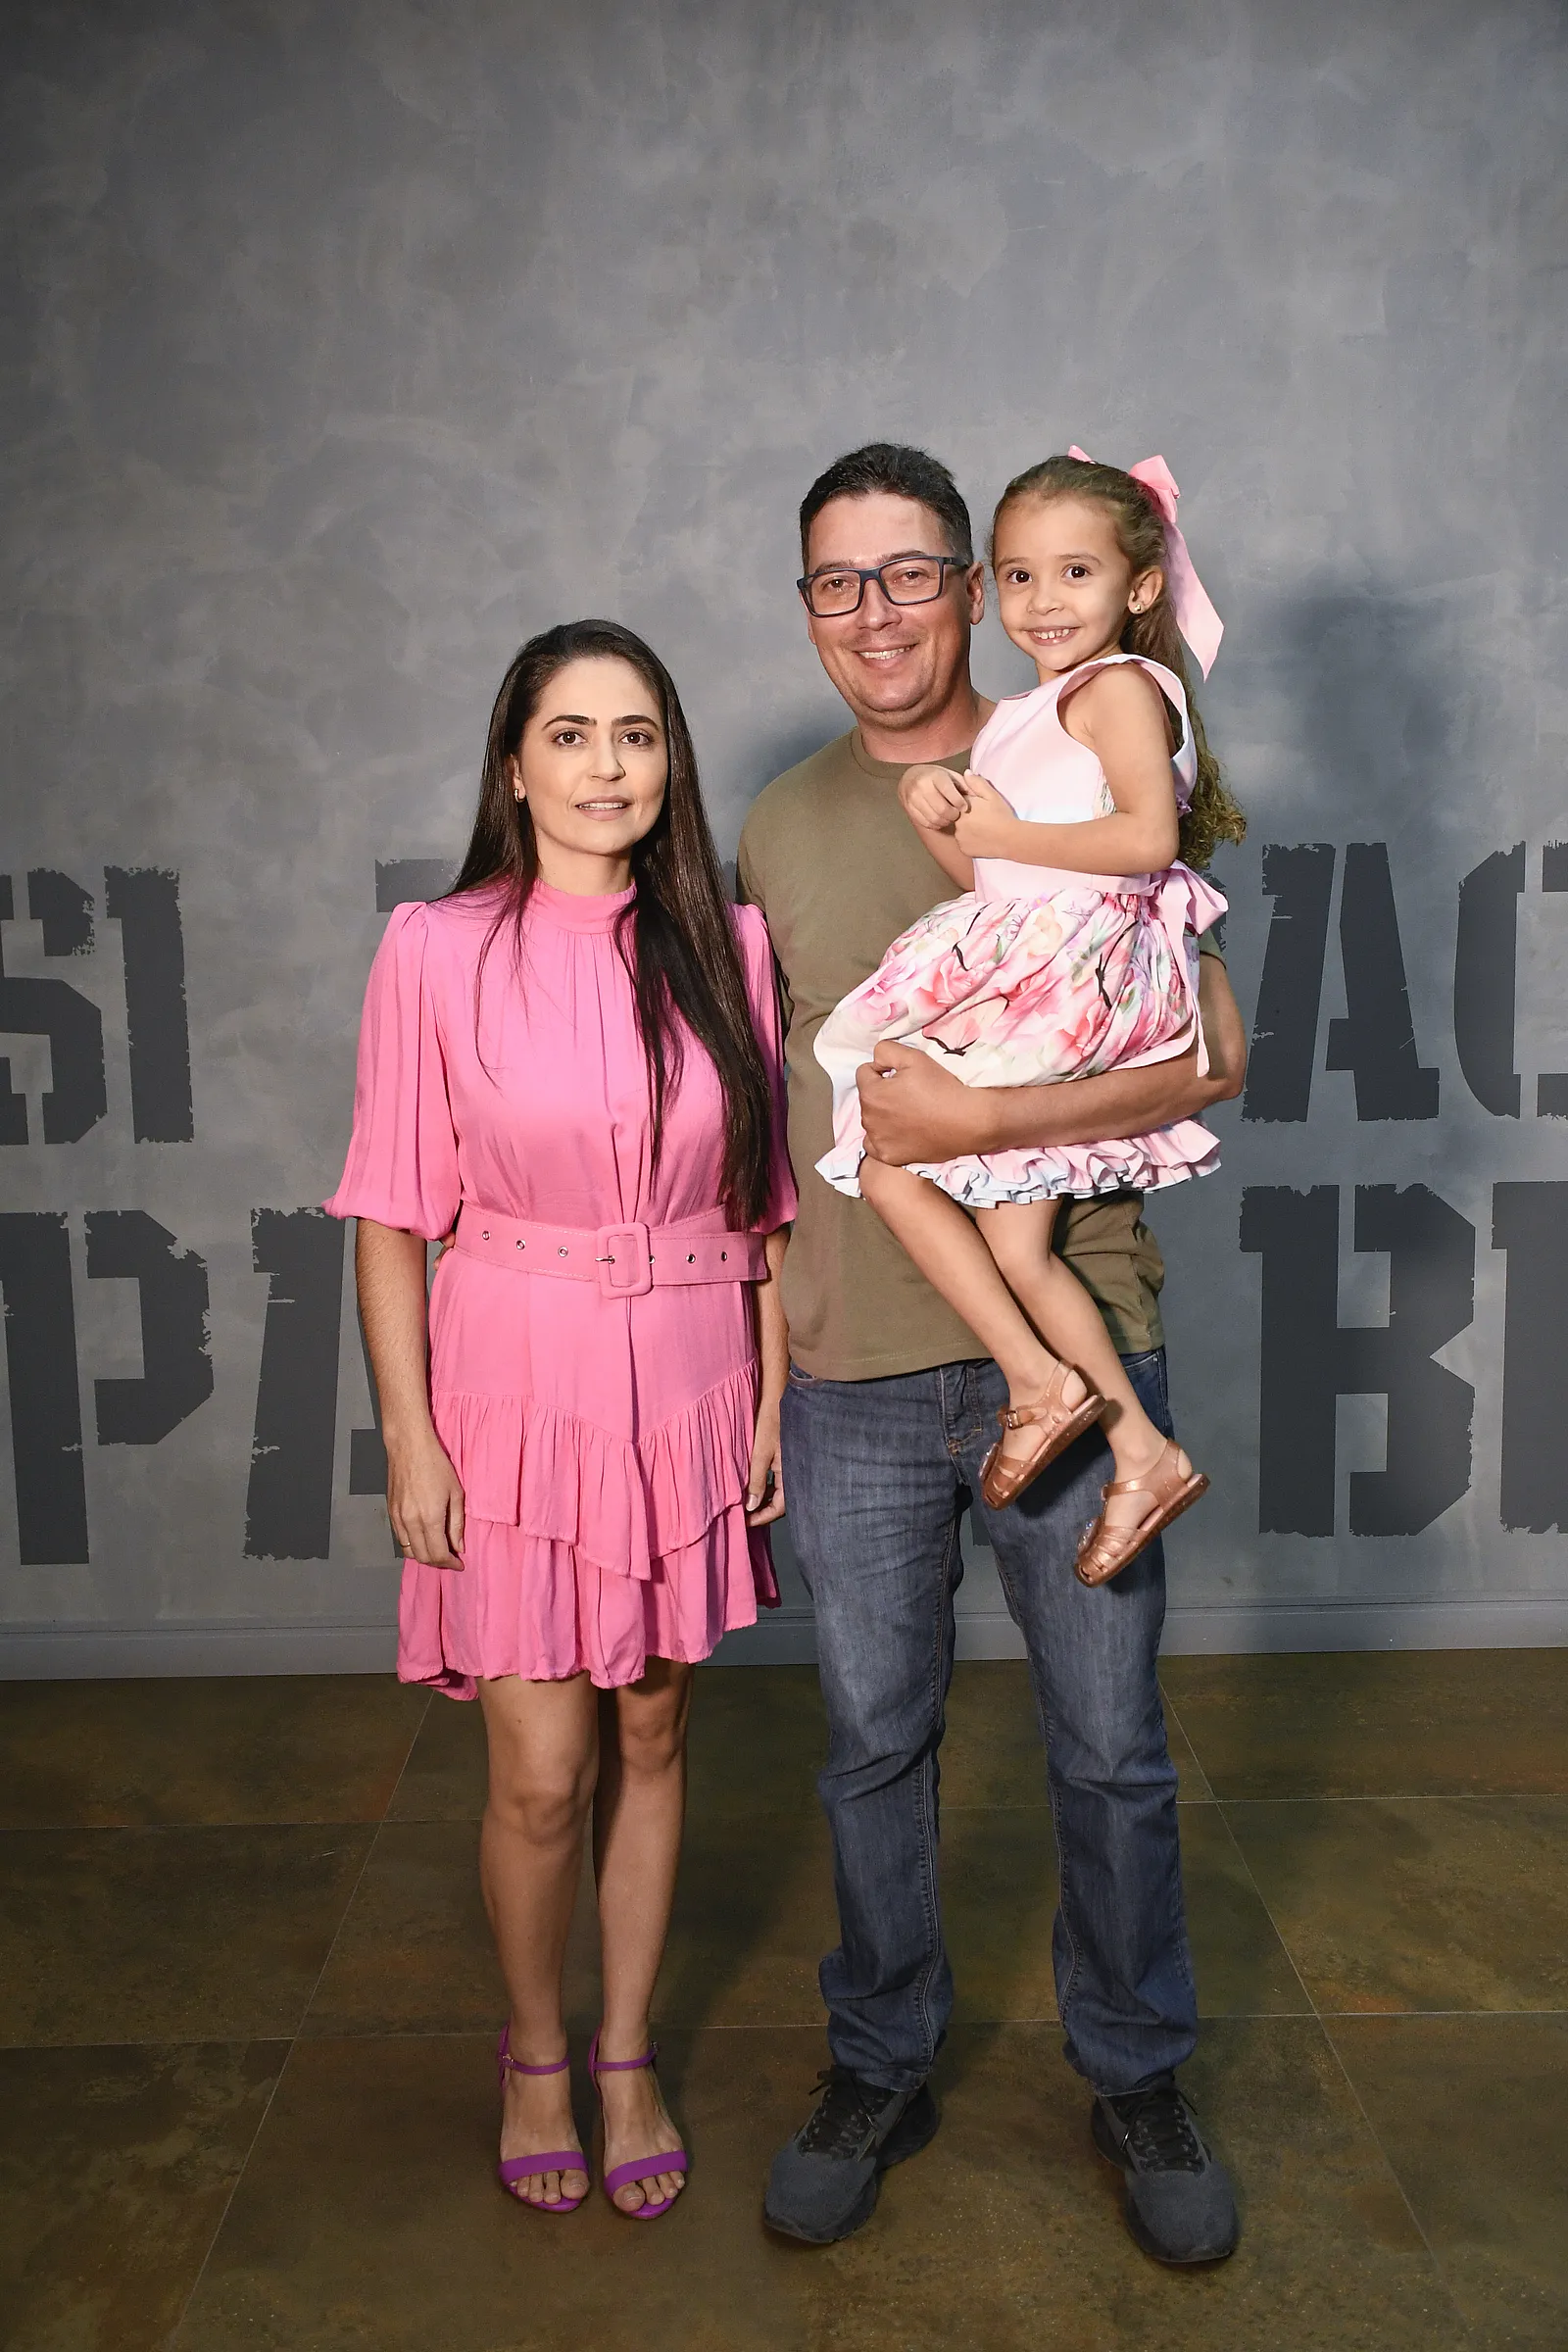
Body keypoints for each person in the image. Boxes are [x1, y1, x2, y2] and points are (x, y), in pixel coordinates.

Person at [738, 445, 1246, 2264]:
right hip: (857, 1363)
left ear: (974, 585)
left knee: (1108, 1746)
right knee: (873, 1743)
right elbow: (761, 1112)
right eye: (837, 581)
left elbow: (1210, 1054)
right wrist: (758, 1369)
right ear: (809, 610)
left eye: (910, 573)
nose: (875, 612)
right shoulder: (777, 824)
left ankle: (1138, 2069)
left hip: (1078, 1316)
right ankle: (879, 2059)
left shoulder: (1081, 740)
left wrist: (973, 1124)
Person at [325, 619, 795, 2221]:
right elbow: (391, 1213)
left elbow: (764, 1207)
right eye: (573, 734)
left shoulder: (729, 946)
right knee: (539, 1775)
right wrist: (410, 1436)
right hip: (513, 1396)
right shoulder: (435, 948)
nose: (609, 766)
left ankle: (626, 2053)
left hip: (691, 1389)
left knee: (653, 1734)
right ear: (514, 768)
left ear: (671, 765)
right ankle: (536, 2052)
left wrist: (768, 1398)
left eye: (638, 735)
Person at [813, 450, 1244, 1576]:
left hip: (1085, 972)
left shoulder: (1117, 689)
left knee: (889, 1155)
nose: (1042, 600)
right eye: (1018, 576)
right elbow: (993, 881)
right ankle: (1141, 1453)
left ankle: (1040, 1383)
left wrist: (997, 829)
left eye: (1074, 572)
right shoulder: (1025, 714)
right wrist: (938, 815)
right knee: (1014, 1242)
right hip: (1038, 953)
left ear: (1137, 587)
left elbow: (1145, 839)